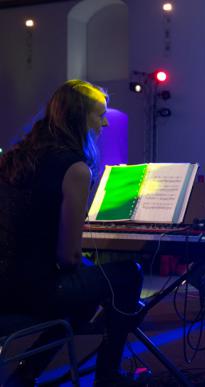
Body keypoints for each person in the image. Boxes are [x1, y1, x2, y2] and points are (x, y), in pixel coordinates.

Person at [0, 80, 144, 386]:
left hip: (4, 285)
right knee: (128, 274)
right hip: (34, 290)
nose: (105, 122)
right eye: (98, 114)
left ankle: (25, 375)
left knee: (90, 289)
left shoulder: (14, 158)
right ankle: (108, 377)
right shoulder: (75, 168)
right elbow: (68, 257)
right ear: (79, 118)